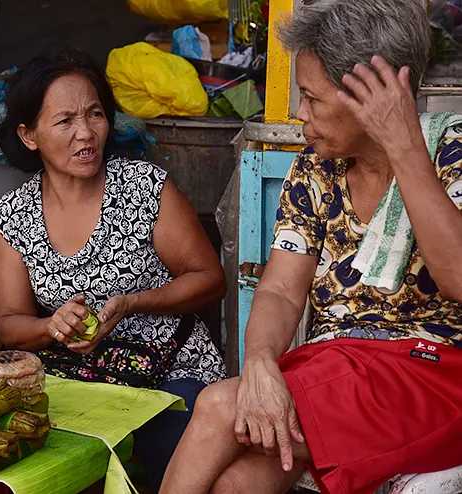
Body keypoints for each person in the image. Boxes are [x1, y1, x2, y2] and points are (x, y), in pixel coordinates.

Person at [161, 1, 462, 493]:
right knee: (238, 483)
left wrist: (404, 144)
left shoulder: (452, 155)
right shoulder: (317, 169)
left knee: (218, 406)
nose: (302, 115)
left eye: (313, 99)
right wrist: (259, 362)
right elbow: (280, 291)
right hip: (342, 375)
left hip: (433, 379)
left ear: (373, 96)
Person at [0, 49, 227, 490]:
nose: (86, 133)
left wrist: (136, 302)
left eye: (95, 114)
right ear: (29, 135)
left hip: (171, 373)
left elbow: (210, 279)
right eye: (65, 121)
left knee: (176, 468)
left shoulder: (144, 186)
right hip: (77, 379)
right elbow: (9, 323)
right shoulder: (13, 216)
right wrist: (51, 326)